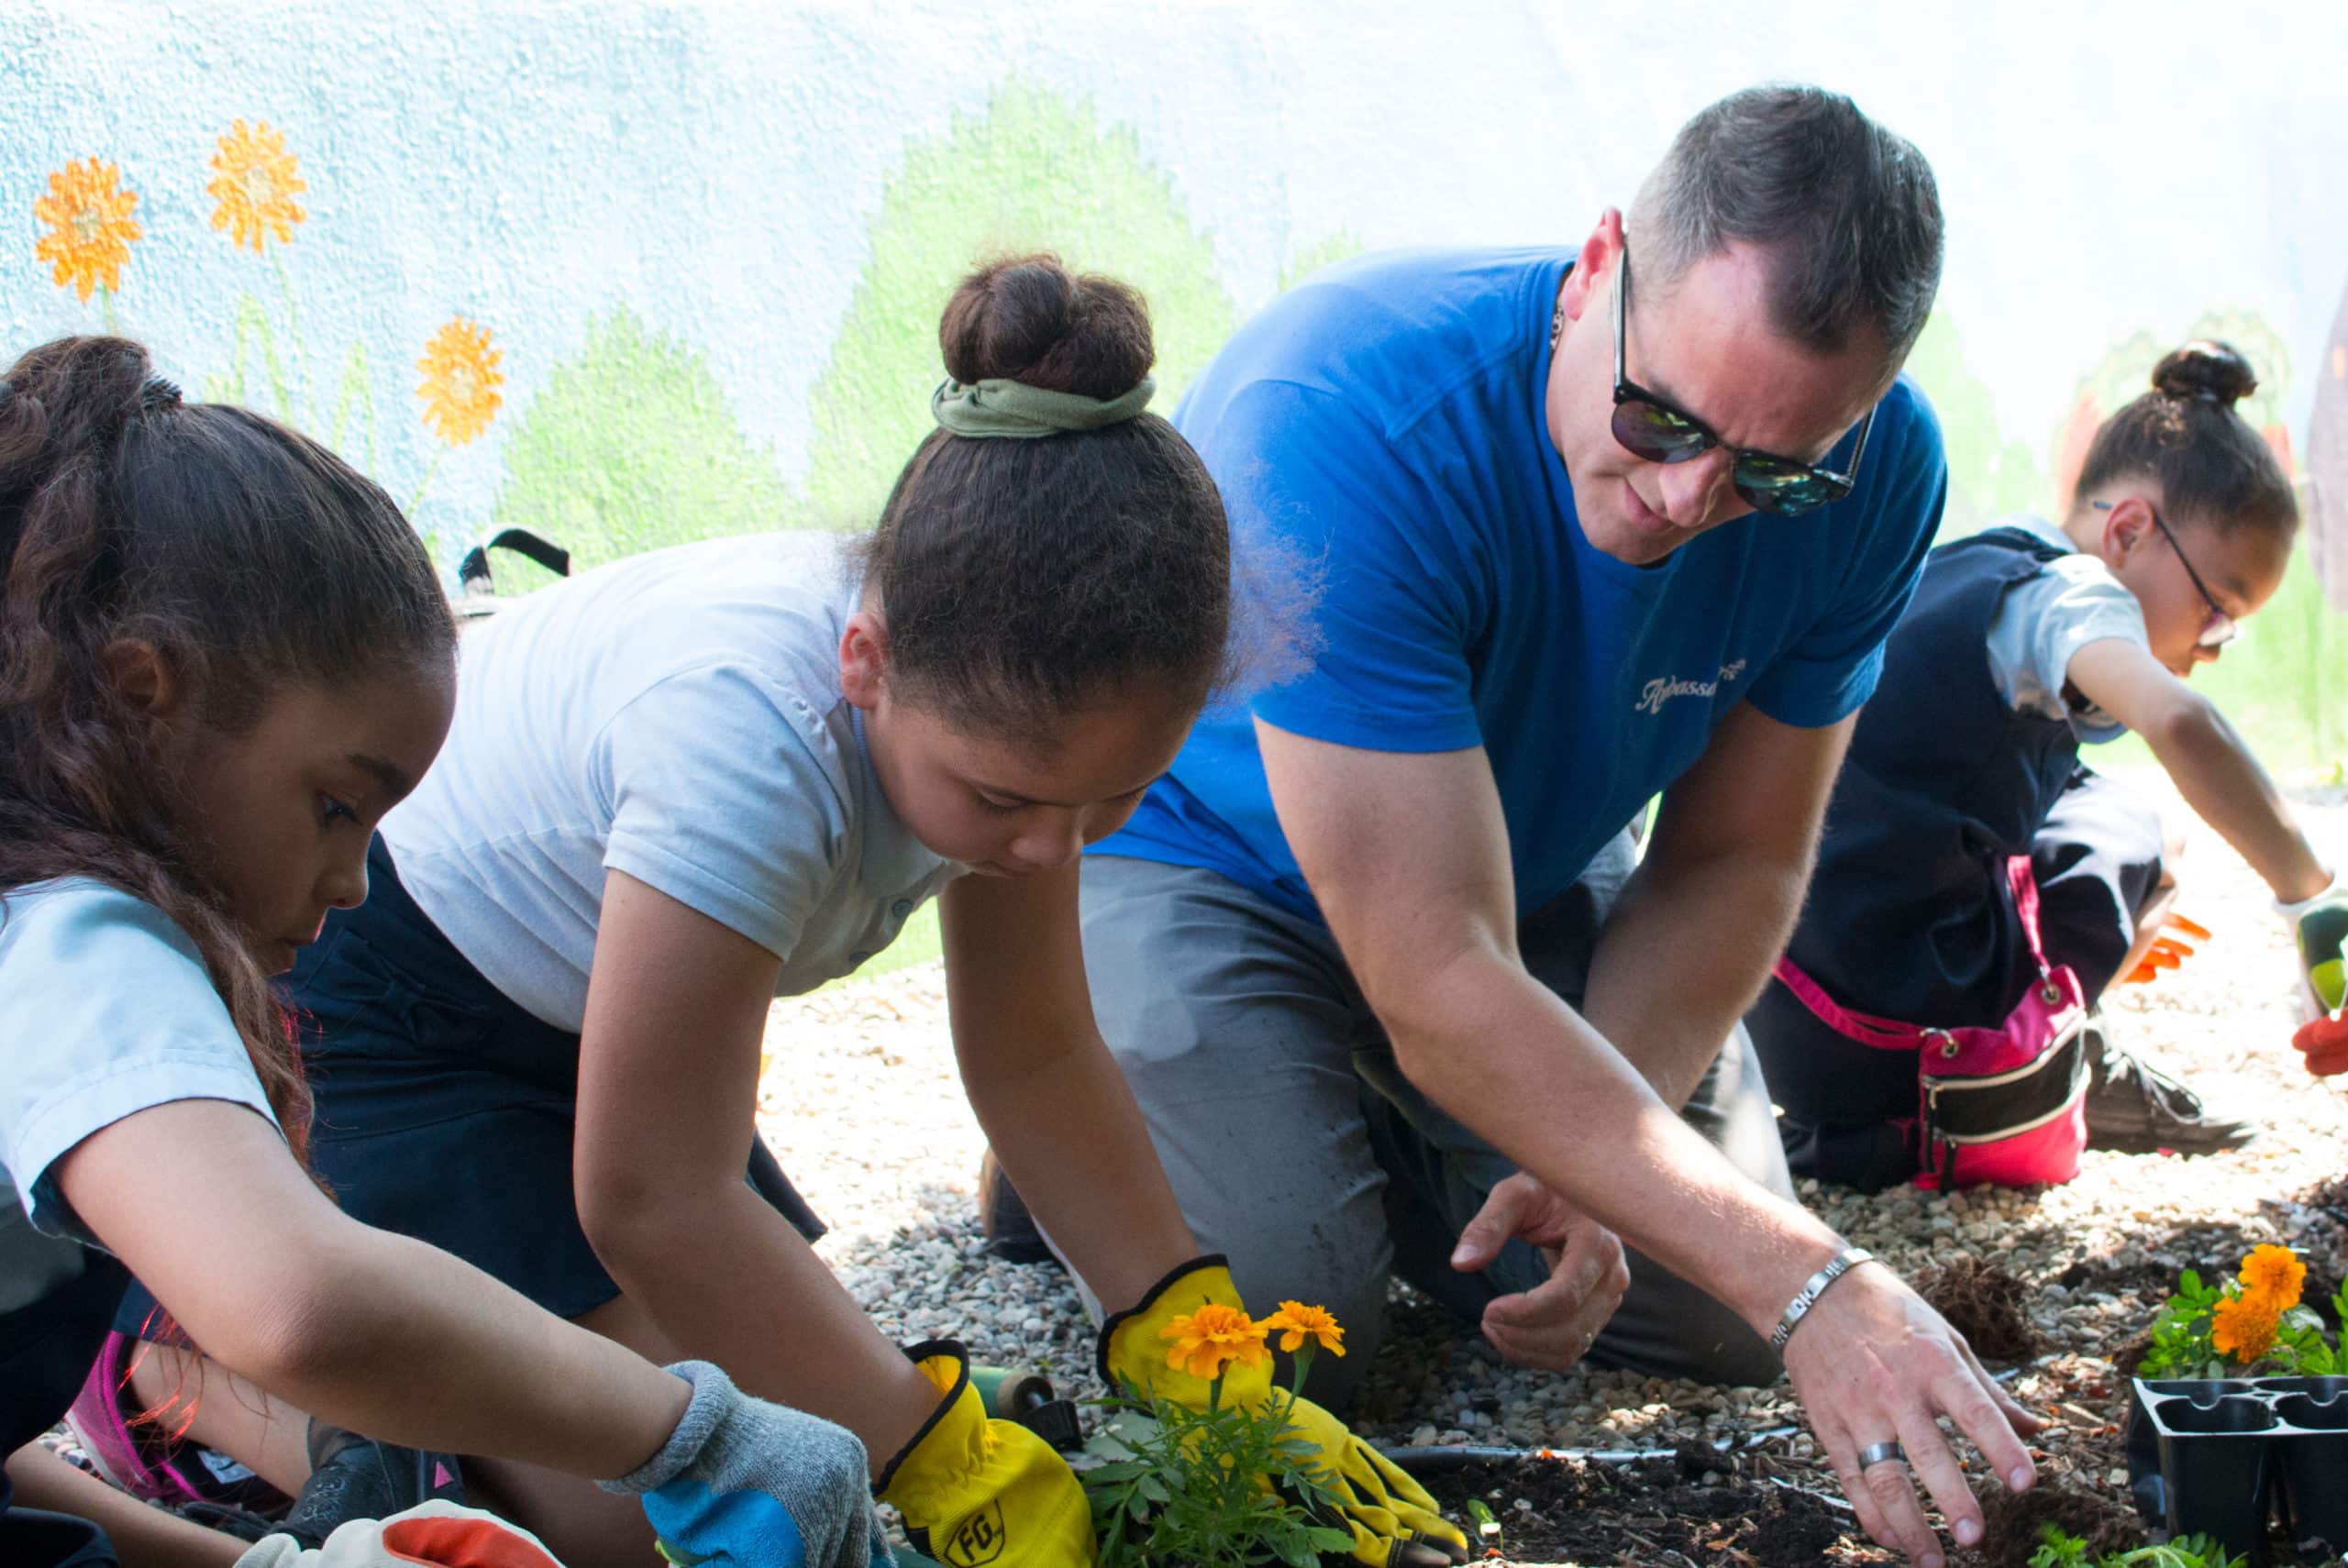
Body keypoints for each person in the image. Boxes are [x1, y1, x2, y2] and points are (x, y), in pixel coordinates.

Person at [105, 260, 1466, 1568]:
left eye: (1116, 797)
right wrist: (931, 1452)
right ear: (864, 661)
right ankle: (178, 1359)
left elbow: (1039, 1056)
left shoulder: (1019, 738)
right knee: (648, 1527)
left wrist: (1187, 1337)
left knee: (784, 1442)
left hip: (583, 1006)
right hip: (393, 988)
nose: (1053, 845)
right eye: (1005, 798)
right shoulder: (746, 738)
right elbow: (653, 1194)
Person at [1056, 85, 2038, 1568]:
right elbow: (1437, 976)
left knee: (1708, 1307)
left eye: (1773, 472)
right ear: (1596, 270)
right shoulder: (1341, 413)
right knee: (1279, 1339)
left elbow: (1737, 857)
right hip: (1206, 861)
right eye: (1663, 415)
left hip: (1515, 874)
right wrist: (1810, 1277)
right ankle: (1080, 1116)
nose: (1690, 495)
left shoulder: (1881, 473)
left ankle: (1366, 1134)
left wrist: (1602, 1159)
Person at [0, 337, 887, 1567]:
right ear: (143, 690)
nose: (357, 879)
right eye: (335, 803)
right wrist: (693, 1434)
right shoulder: (65, 934)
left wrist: (266, 1564)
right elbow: (299, 1298)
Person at [1747, 342, 2348, 1187]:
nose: (2212, 652)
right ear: (2130, 530)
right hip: (1898, 1024)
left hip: (1776, 1009)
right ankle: (2058, 1059)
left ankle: (1902, 1118)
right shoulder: (2072, 592)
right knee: (2147, 826)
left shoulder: (1966, 567)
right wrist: (2313, 899)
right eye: (2219, 614)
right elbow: (2179, 722)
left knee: (2077, 790)